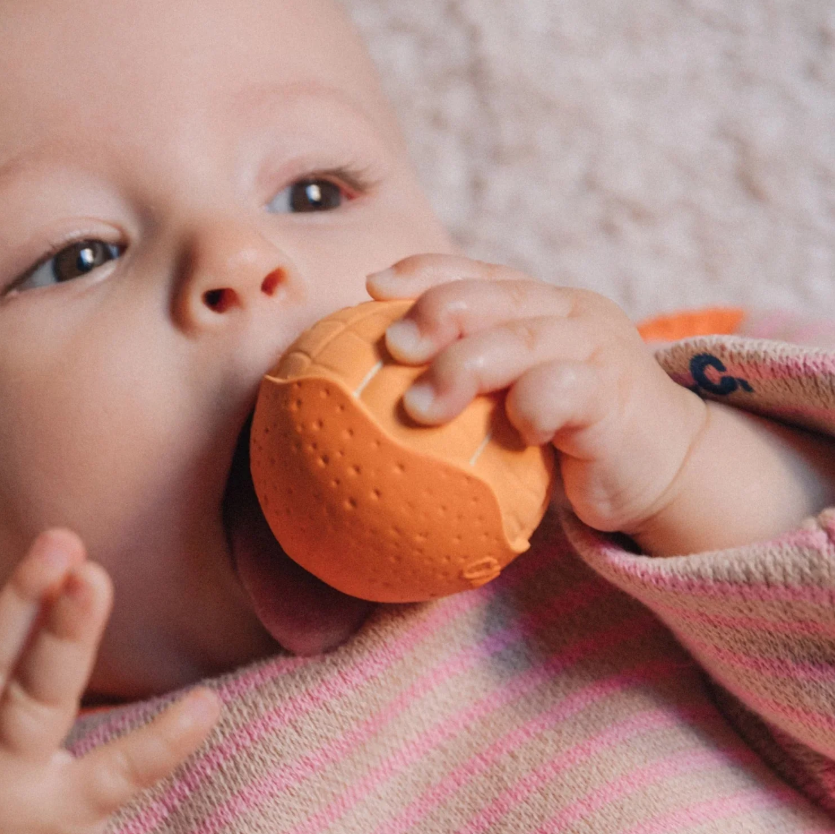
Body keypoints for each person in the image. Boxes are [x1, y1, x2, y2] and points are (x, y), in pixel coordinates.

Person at [3, 0, 835, 831]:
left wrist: (688, 468)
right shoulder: (47, 786)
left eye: (313, 191)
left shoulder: (644, 420)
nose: (240, 257)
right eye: (78, 257)